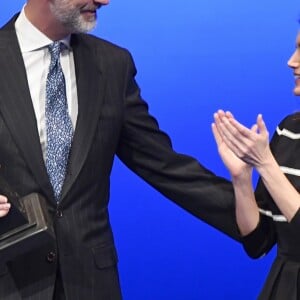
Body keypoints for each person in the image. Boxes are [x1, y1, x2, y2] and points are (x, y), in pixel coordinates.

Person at [0, 0, 241, 299]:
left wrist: (259, 217)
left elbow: (163, 165)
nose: (104, 0)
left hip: (90, 284)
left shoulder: (112, 65)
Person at [212, 27, 300, 299]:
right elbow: (258, 242)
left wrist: (265, 164)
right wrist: (241, 178)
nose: (292, 61)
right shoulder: (289, 130)